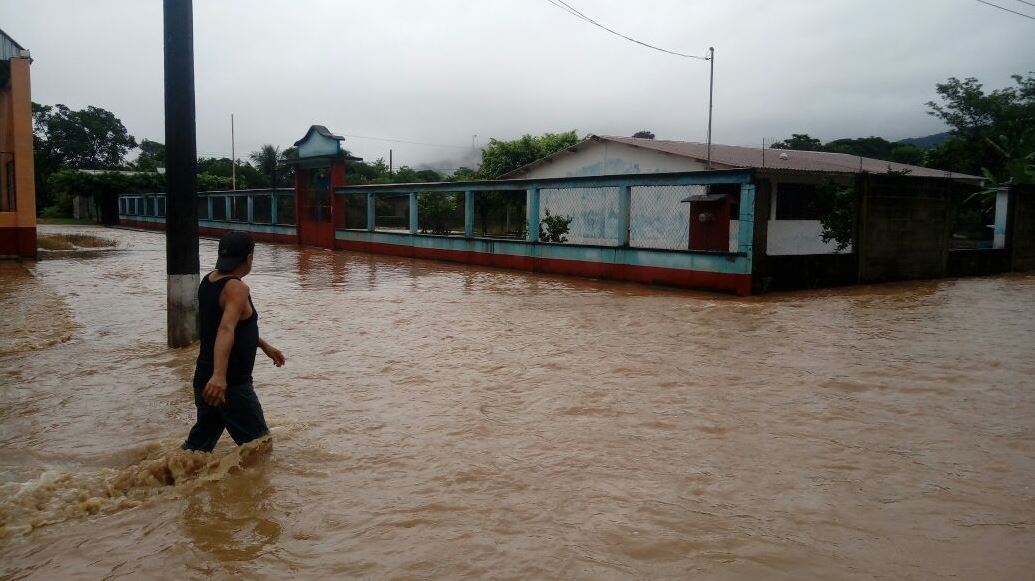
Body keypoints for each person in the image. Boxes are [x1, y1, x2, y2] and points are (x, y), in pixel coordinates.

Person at [183, 231, 285, 452]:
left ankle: (167, 472)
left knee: (198, 449)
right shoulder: (237, 289)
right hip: (230, 383)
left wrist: (263, 345)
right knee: (260, 448)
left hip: (205, 377)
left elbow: (225, 326)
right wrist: (220, 376)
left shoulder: (209, 280)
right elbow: (226, 329)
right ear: (249, 258)